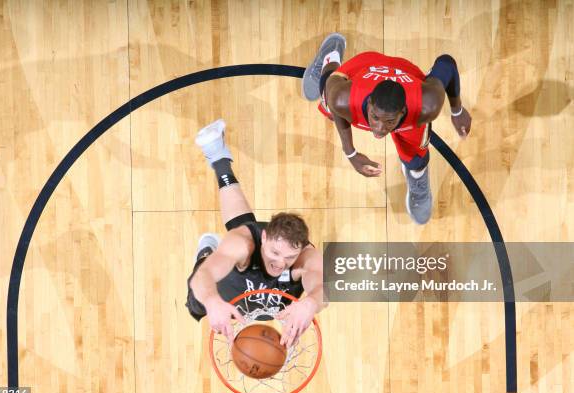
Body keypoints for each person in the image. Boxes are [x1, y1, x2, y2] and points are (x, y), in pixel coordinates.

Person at [302, 33, 472, 224]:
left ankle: (417, 179)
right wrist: (350, 153)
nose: (380, 129)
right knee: (327, 96)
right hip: (364, 67)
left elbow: (446, 63)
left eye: (389, 121)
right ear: (371, 104)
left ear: (403, 111)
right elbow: (335, 105)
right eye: (375, 118)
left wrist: (457, 111)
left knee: (417, 157)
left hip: (406, 73)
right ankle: (330, 55)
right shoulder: (343, 97)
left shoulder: (426, 105)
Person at [186, 119, 325, 348]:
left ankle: (219, 156)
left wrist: (310, 304)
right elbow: (204, 277)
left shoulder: (305, 258)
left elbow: (322, 285)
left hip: (265, 302)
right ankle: (206, 251)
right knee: (197, 301)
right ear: (264, 237)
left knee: (242, 226)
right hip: (228, 289)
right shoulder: (243, 244)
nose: (280, 263)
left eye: (289, 257)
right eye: (274, 252)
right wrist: (211, 301)